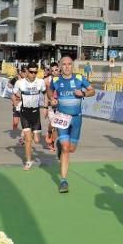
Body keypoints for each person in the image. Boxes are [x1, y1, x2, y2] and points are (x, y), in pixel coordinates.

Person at [47, 55, 95, 193]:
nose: (67, 67)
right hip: (62, 118)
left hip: (76, 119)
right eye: (64, 64)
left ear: (72, 66)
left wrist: (83, 93)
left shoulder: (79, 78)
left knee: (71, 149)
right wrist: (52, 99)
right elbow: (50, 91)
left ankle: (61, 147)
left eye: (69, 64)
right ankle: (63, 181)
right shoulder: (56, 80)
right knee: (66, 148)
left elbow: (93, 90)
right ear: (60, 66)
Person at [13, 63, 47, 170]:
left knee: (36, 140)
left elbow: (45, 94)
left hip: (35, 114)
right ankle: (28, 161)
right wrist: (16, 104)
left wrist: (45, 107)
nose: (33, 74)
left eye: (35, 72)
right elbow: (13, 95)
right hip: (24, 113)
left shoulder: (40, 82)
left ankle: (31, 134)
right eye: (31, 72)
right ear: (27, 71)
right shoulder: (20, 83)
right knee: (28, 140)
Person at [42, 61, 60, 153]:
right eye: (52, 71)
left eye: (56, 70)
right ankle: (49, 132)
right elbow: (45, 95)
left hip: (60, 107)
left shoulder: (62, 79)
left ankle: (52, 142)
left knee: (57, 126)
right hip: (50, 107)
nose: (54, 72)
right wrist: (45, 108)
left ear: (59, 70)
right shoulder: (47, 80)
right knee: (52, 124)